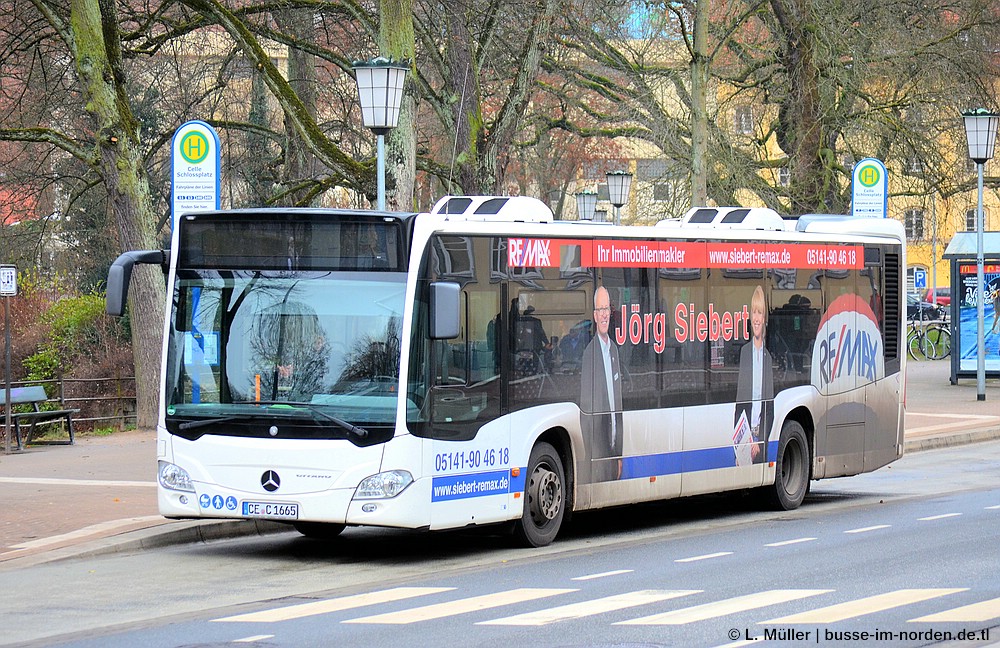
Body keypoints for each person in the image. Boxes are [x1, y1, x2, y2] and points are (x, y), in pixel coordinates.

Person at [580, 285, 623, 482]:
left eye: (607, 309)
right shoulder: (590, 354)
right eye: (600, 310)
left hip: (613, 450)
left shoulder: (614, 350)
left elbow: (618, 404)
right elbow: (587, 410)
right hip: (598, 451)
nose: (604, 315)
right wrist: (592, 455)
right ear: (595, 316)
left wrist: (619, 452)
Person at [735, 285, 773, 465]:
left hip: (761, 438)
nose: (756, 318)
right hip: (745, 438)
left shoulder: (768, 358)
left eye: (760, 313)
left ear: (764, 318)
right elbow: (740, 402)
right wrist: (744, 441)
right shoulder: (744, 353)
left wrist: (760, 441)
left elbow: (769, 408)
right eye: (754, 312)